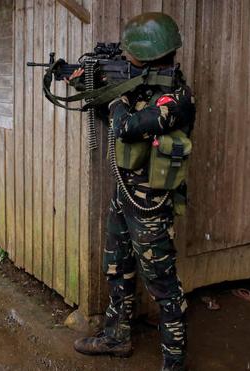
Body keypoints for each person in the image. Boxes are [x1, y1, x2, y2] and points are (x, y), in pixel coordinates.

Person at [67, 13, 195, 371]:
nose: (125, 59)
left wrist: (115, 96)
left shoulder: (174, 99)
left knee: (162, 283)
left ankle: (174, 361)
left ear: (150, 55)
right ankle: (117, 336)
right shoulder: (140, 85)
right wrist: (88, 83)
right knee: (117, 267)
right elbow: (112, 110)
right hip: (125, 195)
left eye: (131, 54)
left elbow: (125, 126)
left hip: (151, 205)